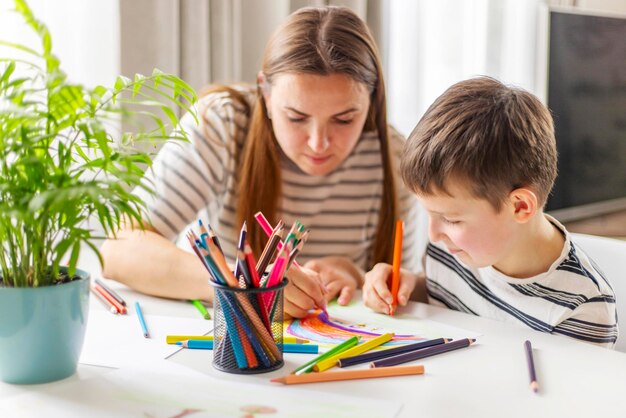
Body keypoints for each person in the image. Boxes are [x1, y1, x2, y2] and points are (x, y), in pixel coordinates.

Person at [100, 6, 420, 318]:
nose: (318, 142)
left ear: (372, 99)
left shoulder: (392, 155)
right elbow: (118, 249)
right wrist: (244, 286)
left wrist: (359, 276)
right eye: (296, 117)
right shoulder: (222, 123)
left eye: (344, 119)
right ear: (265, 95)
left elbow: (404, 288)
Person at [362, 77, 618, 347]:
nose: (434, 234)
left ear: (520, 206)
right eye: (429, 213)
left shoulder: (582, 309)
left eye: (451, 219)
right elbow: (453, 300)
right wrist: (410, 287)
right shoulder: (451, 252)